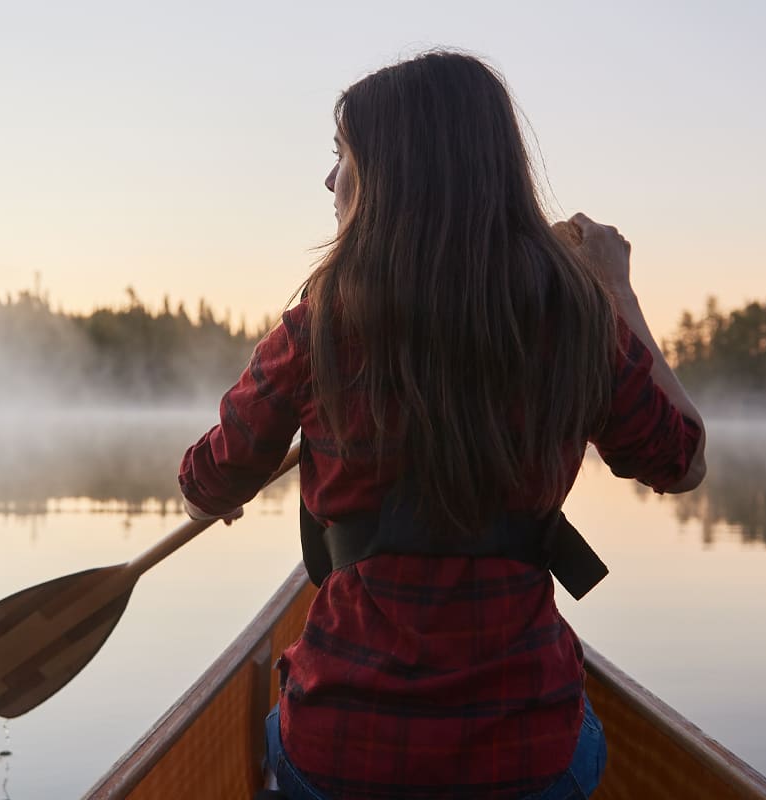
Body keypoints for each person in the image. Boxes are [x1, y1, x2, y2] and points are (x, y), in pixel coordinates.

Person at [176, 50, 707, 800]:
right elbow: (683, 463)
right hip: (527, 755)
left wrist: (220, 486)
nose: (330, 182)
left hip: (341, 753)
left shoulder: (317, 328)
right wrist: (615, 289)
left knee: (282, 742)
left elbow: (204, 483)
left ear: (392, 176)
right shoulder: (577, 325)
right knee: (575, 744)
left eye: (343, 158)